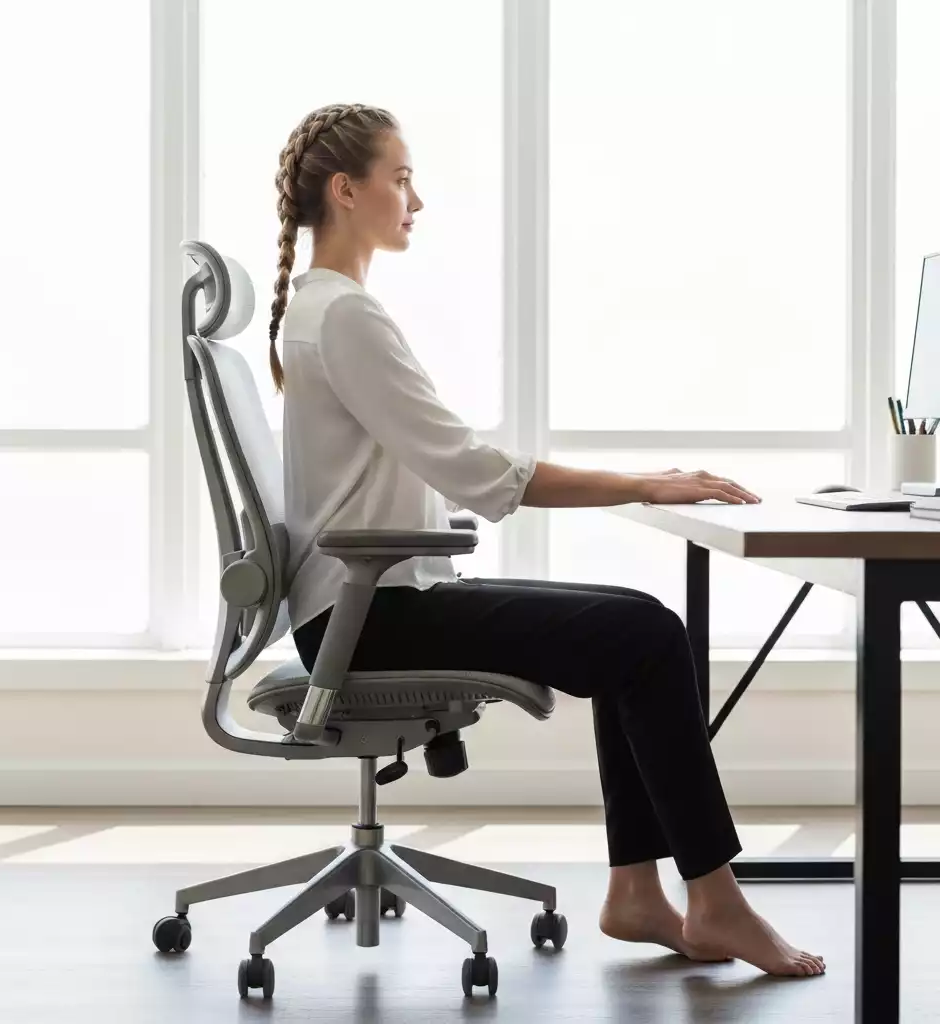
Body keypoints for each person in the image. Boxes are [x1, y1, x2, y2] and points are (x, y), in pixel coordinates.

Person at [268, 103, 824, 978]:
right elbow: (475, 469)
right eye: (401, 178)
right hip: (373, 617)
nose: (417, 199)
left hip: (365, 606)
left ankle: (640, 892)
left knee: (634, 628)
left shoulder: (321, 310)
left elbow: (453, 464)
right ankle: (713, 901)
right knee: (646, 635)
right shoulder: (345, 318)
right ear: (346, 189)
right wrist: (644, 483)